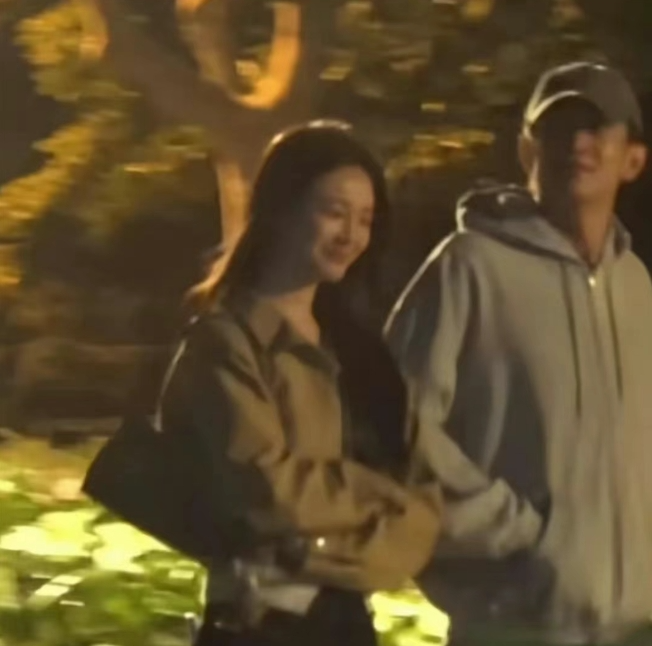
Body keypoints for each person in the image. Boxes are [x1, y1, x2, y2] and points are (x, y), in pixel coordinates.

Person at [384, 62, 652, 645]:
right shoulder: (468, 267)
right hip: (512, 626)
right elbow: (390, 422)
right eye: (558, 128)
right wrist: (510, 529)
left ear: (634, 160)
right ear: (528, 149)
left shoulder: (638, 288)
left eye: (595, 127)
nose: (576, 142)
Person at [159, 121, 441, 646]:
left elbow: (421, 513)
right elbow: (264, 491)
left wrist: (305, 551)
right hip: (257, 630)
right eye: (334, 212)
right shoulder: (225, 342)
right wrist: (375, 495)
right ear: (282, 208)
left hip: (348, 628)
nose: (350, 236)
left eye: (365, 220)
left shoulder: (360, 354)